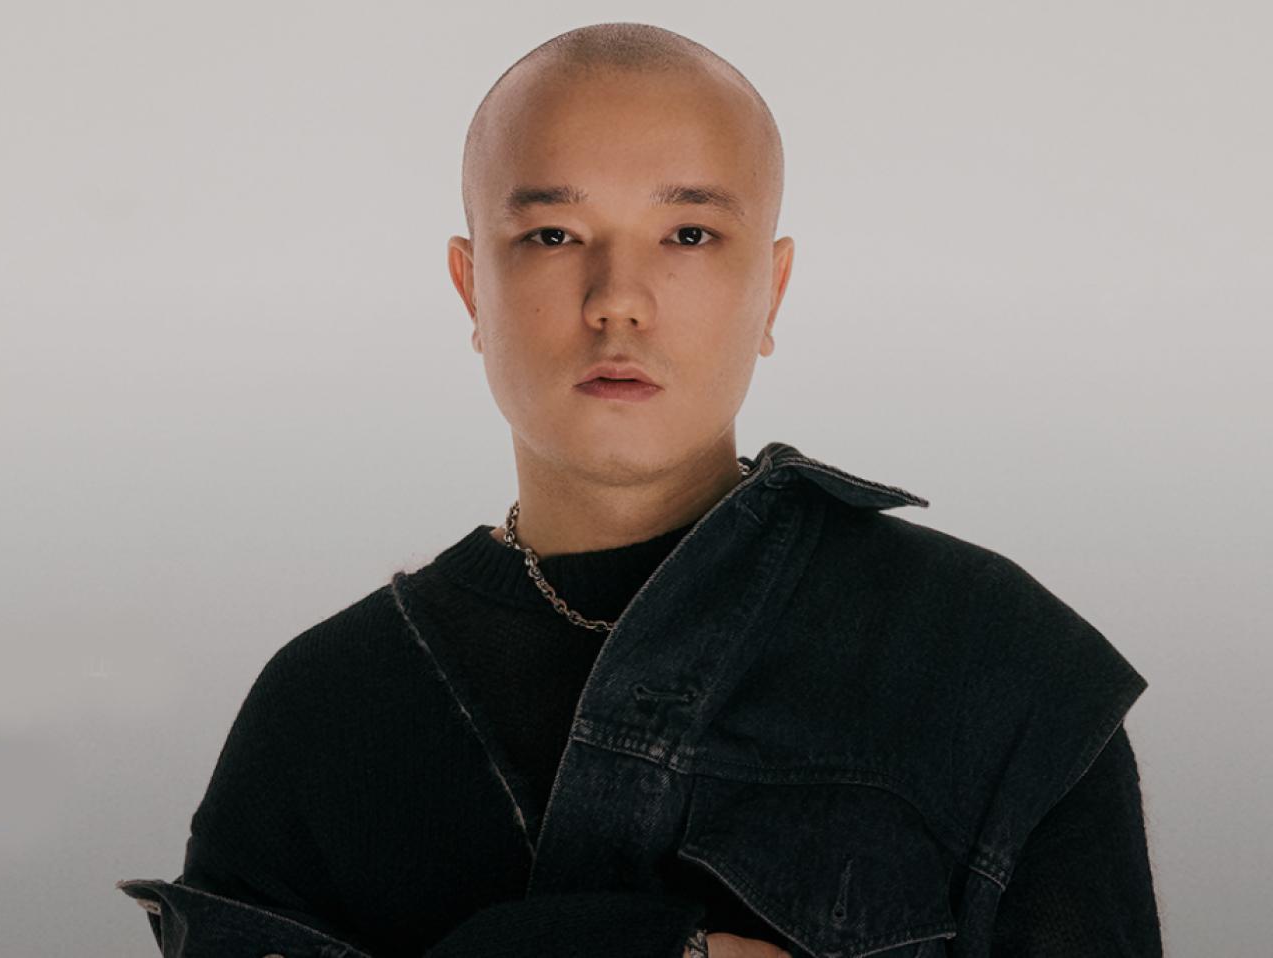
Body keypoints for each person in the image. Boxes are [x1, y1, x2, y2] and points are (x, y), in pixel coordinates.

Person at [116, 21, 1163, 958]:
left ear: (772, 289)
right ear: (471, 286)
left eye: (689, 235)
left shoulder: (994, 665)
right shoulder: (325, 711)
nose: (618, 300)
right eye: (553, 236)